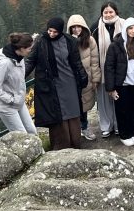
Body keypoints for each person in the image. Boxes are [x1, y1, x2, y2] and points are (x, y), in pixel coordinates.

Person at [25, 17, 88, 150]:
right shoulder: (41, 41)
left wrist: (83, 77)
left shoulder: (69, 41)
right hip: (51, 84)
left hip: (69, 81)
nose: (51, 34)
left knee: (73, 111)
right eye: (49, 31)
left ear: (60, 31)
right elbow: (30, 61)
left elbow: (76, 62)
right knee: (57, 114)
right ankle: (61, 146)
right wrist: (19, 76)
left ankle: (76, 144)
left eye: (55, 32)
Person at [105, 17, 134, 146]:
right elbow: (109, 66)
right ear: (125, 29)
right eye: (130, 28)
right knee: (123, 110)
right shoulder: (116, 45)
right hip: (122, 84)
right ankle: (124, 135)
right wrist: (111, 88)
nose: (133, 31)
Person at [0, 32, 38, 135]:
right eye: (29, 48)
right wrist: (11, 100)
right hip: (6, 106)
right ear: (21, 48)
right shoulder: (5, 64)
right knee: (22, 136)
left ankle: (40, 151)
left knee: (32, 132)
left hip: (19, 102)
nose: (30, 50)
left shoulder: (19, 58)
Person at [91, 2, 124, 138]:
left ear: (116, 12)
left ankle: (118, 124)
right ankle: (106, 126)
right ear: (102, 13)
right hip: (102, 69)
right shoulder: (95, 28)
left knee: (119, 98)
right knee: (103, 100)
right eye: (106, 12)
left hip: (120, 69)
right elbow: (92, 51)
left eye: (111, 12)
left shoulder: (124, 25)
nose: (108, 14)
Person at [67, 14, 102, 141]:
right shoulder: (66, 41)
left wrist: (95, 79)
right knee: (73, 105)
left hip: (86, 77)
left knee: (85, 104)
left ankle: (85, 127)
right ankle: (75, 130)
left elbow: (94, 60)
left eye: (79, 27)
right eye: (73, 27)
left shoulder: (90, 40)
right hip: (71, 79)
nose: (76, 29)